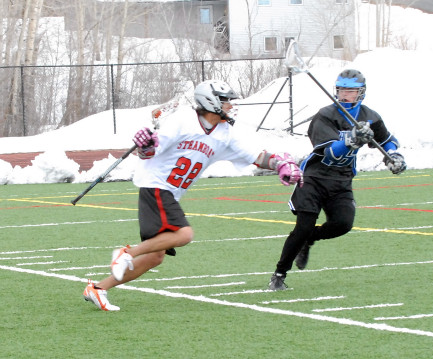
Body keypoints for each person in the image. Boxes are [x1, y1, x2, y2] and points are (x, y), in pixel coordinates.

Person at [83, 79, 303, 310]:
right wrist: (145, 145)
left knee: (155, 256)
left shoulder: (224, 133)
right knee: (184, 234)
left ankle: (98, 289)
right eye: (225, 101)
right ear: (211, 102)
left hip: (170, 192)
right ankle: (125, 253)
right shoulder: (182, 120)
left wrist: (280, 164)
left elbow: (256, 156)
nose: (231, 106)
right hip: (156, 185)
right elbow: (151, 150)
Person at [268, 69, 407, 290]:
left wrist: (393, 156)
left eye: (350, 90)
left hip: (341, 180)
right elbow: (330, 153)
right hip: (314, 177)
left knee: (343, 224)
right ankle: (279, 274)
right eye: (342, 89)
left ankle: (310, 239)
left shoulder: (369, 116)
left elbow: (388, 140)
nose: (344, 94)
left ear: (361, 93)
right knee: (303, 226)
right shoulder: (325, 115)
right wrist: (352, 139)